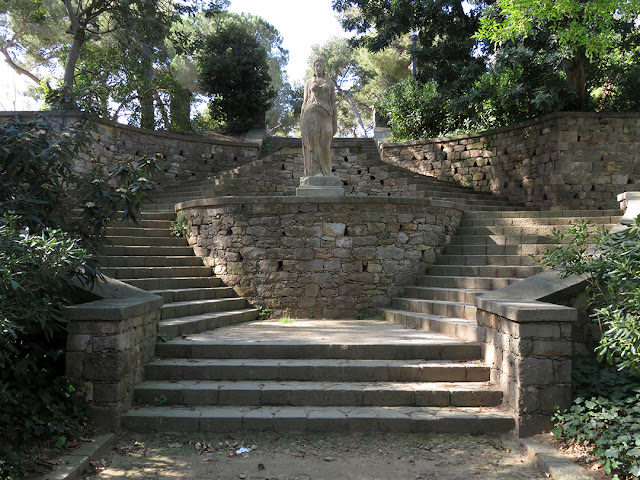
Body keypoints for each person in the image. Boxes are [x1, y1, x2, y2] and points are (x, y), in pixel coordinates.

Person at [300, 58, 338, 177]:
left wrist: (335, 122)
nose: (318, 67)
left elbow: (333, 102)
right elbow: (305, 101)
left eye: (320, 65)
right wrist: (301, 119)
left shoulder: (330, 82)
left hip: (326, 114)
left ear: (324, 67)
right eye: (316, 65)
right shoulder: (309, 82)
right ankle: (314, 172)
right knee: (312, 145)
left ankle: (326, 172)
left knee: (325, 145)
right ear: (313, 67)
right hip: (310, 113)